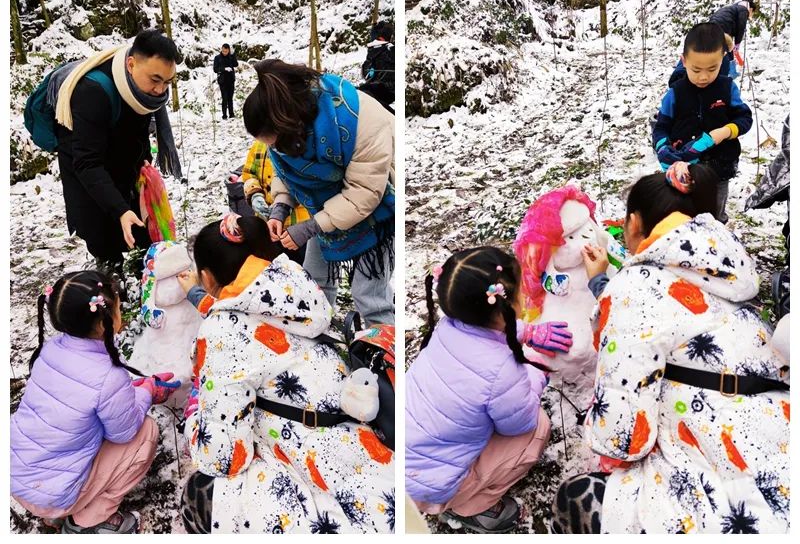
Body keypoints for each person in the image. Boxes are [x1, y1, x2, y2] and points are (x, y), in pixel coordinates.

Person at [551, 163, 790, 534]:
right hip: (779, 433)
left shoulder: (634, 289)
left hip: (720, 464)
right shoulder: (726, 268)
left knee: (577, 497)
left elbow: (622, 438)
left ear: (632, 223)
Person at [177, 214, 395, 533]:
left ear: (206, 278)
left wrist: (195, 418)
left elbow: (224, 456)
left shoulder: (221, 334)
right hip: (366, 456)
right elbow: (252, 319)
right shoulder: (295, 288)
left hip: (317, 473)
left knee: (204, 492)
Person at [406, 246, 574, 534]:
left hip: (410, 462)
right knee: (538, 427)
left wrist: (527, 332)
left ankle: (455, 494)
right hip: (432, 486)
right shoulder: (502, 372)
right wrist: (534, 377)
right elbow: (519, 423)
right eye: (520, 294)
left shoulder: (449, 326)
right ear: (506, 305)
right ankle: (471, 507)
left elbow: (489, 326)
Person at [10, 271, 177, 534]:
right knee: (146, 432)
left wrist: (129, 392)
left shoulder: (50, 350)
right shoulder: (108, 377)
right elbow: (125, 432)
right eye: (119, 307)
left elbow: (81, 400)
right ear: (103, 323)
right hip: (53, 494)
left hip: (18, 477)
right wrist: (148, 392)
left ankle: (54, 511)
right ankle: (88, 521)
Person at [243, 59, 395, 326]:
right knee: (313, 283)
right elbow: (285, 169)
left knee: (369, 296)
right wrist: (281, 205)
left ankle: (385, 355)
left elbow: (363, 194)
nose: (275, 150)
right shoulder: (288, 133)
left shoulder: (360, 121)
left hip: (377, 210)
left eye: (275, 143)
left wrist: (310, 227)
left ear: (289, 128)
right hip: (325, 207)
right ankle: (320, 344)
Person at [53, 29, 180, 281]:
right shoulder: (92, 92)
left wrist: (145, 168)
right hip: (88, 171)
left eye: (167, 82)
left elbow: (139, 132)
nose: (160, 90)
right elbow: (87, 163)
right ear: (131, 64)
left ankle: (146, 268)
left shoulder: (144, 95)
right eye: (155, 79)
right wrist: (120, 209)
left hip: (124, 164)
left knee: (142, 227)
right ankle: (110, 271)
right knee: (102, 230)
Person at [653, 22, 753, 223]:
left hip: (719, 166)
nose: (704, 76)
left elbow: (744, 118)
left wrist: (725, 132)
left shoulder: (727, 88)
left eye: (712, 68)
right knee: (684, 214)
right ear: (684, 61)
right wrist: (663, 147)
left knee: (714, 215)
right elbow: (661, 127)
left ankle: (718, 243)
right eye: (696, 69)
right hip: (684, 168)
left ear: (722, 60)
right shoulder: (675, 93)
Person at [240, 139, 310, 264]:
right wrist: (255, 194)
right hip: (269, 225)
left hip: (298, 225)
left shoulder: (295, 147)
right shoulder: (258, 147)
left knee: (302, 265)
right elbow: (249, 174)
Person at [359, 21, 395, 114]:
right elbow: (366, 73)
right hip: (377, 88)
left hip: (388, 90)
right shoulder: (373, 51)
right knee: (361, 92)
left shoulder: (390, 50)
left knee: (365, 93)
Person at [212, 43, 238, 120]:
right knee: (225, 98)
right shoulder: (217, 58)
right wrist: (224, 69)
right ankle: (224, 115)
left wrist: (233, 55)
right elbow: (215, 69)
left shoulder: (231, 57)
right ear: (221, 49)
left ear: (228, 50)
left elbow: (236, 64)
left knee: (230, 98)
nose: (224, 52)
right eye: (223, 51)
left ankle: (231, 114)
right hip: (222, 81)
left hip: (231, 80)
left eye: (226, 51)